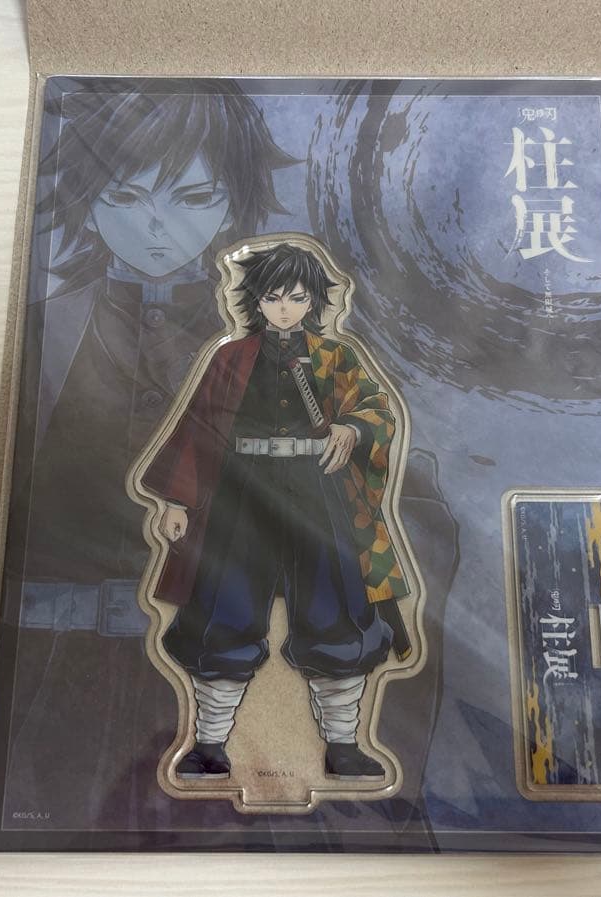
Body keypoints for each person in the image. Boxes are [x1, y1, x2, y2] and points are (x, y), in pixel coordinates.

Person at [0, 79, 296, 827]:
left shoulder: (275, 351)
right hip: (45, 676)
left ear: (233, 203)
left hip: (228, 675)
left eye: (193, 198)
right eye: (126, 198)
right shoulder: (39, 333)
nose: (157, 227)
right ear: (89, 200)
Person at [138, 242, 411, 780]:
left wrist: (350, 428)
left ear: (313, 301)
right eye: (273, 297)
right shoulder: (231, 357)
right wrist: (177, 499)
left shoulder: (335, 356)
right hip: (243, 491)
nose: (284, 308)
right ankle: (208, 744)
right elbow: (199, 425)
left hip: (320, 491)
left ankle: (343, 745)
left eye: (296, 297)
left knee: (336, 611)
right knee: (225, 607)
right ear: (256, 300)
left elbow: (378, 409)